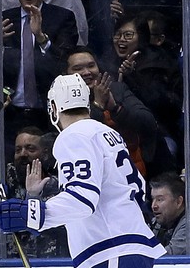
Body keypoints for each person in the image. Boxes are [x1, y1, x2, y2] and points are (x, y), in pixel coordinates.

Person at [0, 73, 166, 268]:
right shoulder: (106, 133)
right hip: (113, 248)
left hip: (113, 248)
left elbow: (82, 199)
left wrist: (33, 214)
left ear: (54, 107)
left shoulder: (72, 137)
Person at [63, 45, 177, 180]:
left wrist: (115, 108)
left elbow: (148, 122)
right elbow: (80, 138)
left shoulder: (117, 89)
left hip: (138, 168)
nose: (87, 72)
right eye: (78, 69)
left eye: (91, 66)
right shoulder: (62, 100)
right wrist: (98, 105)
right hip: (95, 174)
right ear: (66, 75)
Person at [2, 0, 79, 161]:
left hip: (48, 114)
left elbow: (64, 66)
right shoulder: (4, 19)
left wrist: (41, 38)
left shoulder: (63, 17)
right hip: (10, 113)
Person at [112, 14, 183, 167]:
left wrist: (132, 77)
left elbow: (162, 105)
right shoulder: (108, 62)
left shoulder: (159, 64)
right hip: (119, 134)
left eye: (128, 35)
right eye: (117, 34)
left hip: (158, 134)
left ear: (142, 38)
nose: (121, 39)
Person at [5, 125, 69, 258]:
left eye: (30, 148)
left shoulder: (59, 186)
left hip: (54, 263)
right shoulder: (6, 179)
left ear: (44, 153)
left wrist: (33, 196)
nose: (23, 154)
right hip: (13, 264)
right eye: (18, 150)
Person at [149, 171, 186, 255]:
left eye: (160, 199)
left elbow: (167, 259)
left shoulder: (187, 225)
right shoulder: (157, 222)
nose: (154, 206)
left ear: (178, 202)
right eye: (152, 199)